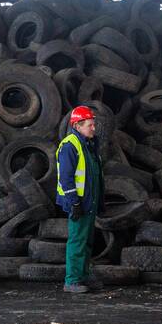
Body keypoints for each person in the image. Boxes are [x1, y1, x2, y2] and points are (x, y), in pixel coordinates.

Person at [55, 106, 104, 293]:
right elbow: (66, 178)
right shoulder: (70, 145)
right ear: (77, 125)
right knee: (77, 241)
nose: (93, 128)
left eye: (94, 124)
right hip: (78, 203)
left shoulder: (89, 145)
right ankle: (72, 281)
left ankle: (83, 276)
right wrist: (74, 202)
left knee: (87, 240)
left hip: (89, 202)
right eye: (90, 125)